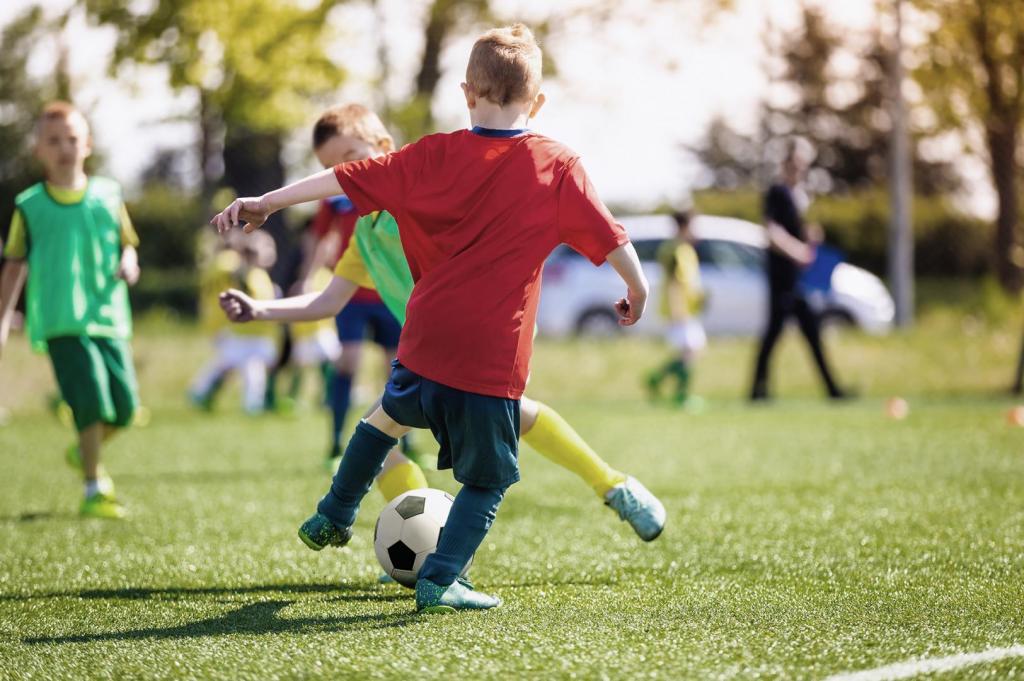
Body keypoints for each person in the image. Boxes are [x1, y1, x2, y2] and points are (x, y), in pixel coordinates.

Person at [211, 24, 651, 612]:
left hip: (421, 341)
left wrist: (264, 201)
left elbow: (337, 181)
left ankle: (334, 512)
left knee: (381, 421)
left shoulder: (426, 156)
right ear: (538, 102)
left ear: (467, 93)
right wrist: (638, 287)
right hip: (490, 354)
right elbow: (610, 234)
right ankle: (442, 580)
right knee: (488, 479)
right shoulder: (557, 164)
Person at [0, 101, 141, 519]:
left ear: (88, 145)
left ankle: (85, 450)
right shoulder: (29, 205)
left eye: (72, 139)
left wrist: (129, 262)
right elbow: (14, 265)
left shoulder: (109, 194)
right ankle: (94, 487)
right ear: (38, 150)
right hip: (62, 319)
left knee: (127, 407)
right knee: (93, 402)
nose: (64, 148)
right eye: (53, 141)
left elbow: (128, 242)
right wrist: (4, 317)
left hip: (109, 317)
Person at [301, 106, 405, 465]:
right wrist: (306, 276)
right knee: (348, 361)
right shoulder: (336, 195)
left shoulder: (404, 188)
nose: (342, 171)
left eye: (350, 157)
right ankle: (335, 440)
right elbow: (319, 238)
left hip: (395, 296)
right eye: (332, 166)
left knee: (399, 370)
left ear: (381, 145)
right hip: (352, 292)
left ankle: (404, 444)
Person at [750, 137, 848, 401]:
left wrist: (809, 237)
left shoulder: (799, 196)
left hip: (797, 280)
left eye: (803, 165)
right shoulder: (777, 192)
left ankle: (832, 390)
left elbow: (792, 231)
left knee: (810, 332)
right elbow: (772, 232)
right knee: (774, 333)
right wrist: (797, 250)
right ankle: (758, 391)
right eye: (795, 164)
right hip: (782, 278)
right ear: (786, 163)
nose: (800, 170)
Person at [188, 231, 278, 414]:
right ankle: (203, 395)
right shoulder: (234, 266)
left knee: (229, 366)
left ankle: (203, 395)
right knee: (236, 368)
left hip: (231, 326)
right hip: (236, 328)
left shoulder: (217, 265)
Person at [647, 210, 706, 409]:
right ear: (685, 226)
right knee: (689, 350)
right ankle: (680, 395)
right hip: (679, 310)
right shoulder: (674, 250)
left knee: (691, 351)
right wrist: (677, 311)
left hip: (688, 310)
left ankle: (656, 379)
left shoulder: (685, 249)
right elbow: (674, 283)